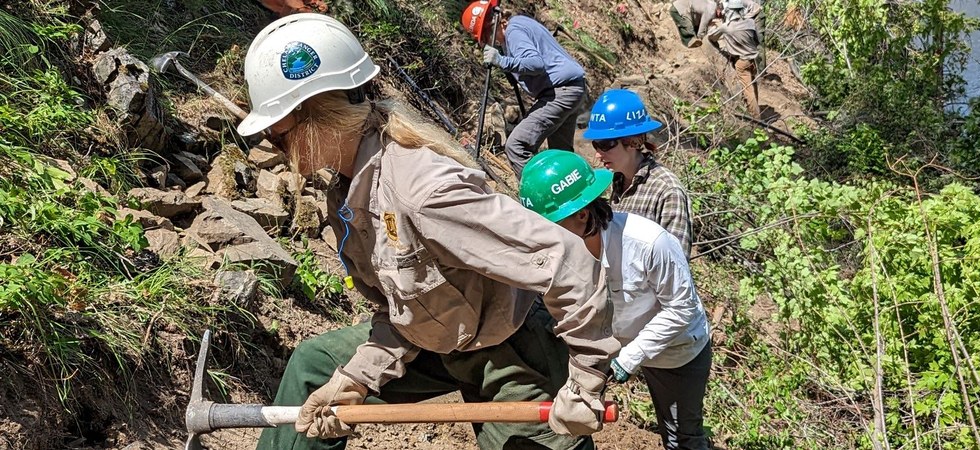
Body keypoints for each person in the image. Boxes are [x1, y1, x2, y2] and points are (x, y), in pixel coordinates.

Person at [236, 14, 618, 450]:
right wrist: (357, 378)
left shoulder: (423, 189)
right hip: (437, 341)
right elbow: (399, 310)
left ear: (319, 114)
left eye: (276, 130)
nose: (269, 141)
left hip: (507, 348)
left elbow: (568, 262)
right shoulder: (349, 193)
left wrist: (585, 383)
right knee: (315, 369)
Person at [519, 150, 712, 450]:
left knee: (680, 436)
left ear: (582, 214)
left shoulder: (648, 243)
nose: (542, 236)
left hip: (677, 350)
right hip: (622, 339)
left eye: (549, 225)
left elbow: (681, 309)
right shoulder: (561, 254)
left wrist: (631, 357)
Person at [462, 0, 588, 179]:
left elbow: (535, 64)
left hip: (561, 91)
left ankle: (541, 195)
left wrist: (502, 61)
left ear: (489, 28)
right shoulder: (517, 26)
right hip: (571, 87)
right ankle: (577, 195)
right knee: (562, 154)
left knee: (516, 146)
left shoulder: (513, 32)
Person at [583, 89, 694, 259]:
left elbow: (676, 265)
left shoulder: (667, 191)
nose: (598, 154)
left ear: (633, 142)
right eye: (595, 145)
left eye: (605, 144)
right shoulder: (616, 181)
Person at [707, 0, 762, 119]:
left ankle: (757, 120)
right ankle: (756, 109)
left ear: (729, 11)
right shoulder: (750, 22)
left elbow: (711, 37)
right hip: (753, 59)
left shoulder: (727, 27)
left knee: (748, 90)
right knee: (753, 85)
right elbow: (757, 41)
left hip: (741, 62)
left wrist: (714, 26)